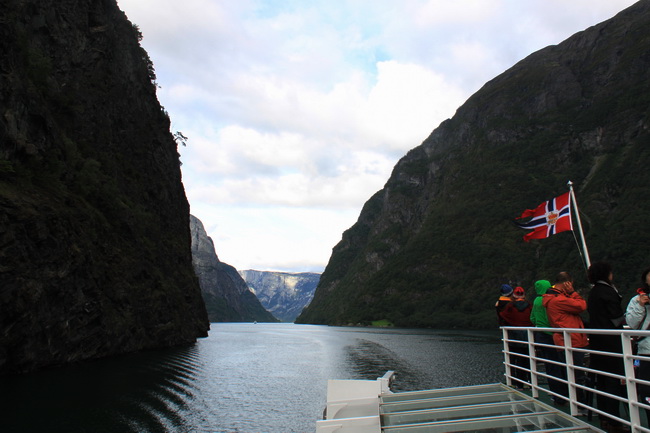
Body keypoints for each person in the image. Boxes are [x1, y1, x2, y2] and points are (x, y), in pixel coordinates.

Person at [587, 261, 628, 433]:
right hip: (611, 342)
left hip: (597, 342)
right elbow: (616, 317)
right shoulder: (607, 292)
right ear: (606, 274)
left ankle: (604, 418)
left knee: (602, 380)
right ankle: (614, 421)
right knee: (613, 381)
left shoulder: (593, 292)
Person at [543, 271, 589, 411]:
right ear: (566, 283)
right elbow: (581, 306)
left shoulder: (554, 298)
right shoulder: (559, 300)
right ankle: (581, 404)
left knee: (571, 372)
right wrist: (573, 292)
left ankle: (574, 401)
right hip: (571, 341)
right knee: (577, 374)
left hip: (567, 340)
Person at [530, 279, 566, 405]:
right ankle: (566, 394)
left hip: (541, 336)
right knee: (562, 364)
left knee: (550, 367)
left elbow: (532, 318)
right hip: (555, 335)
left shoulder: (536, 301)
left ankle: (557, 395)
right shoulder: (552, 299)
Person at [626, 267, 650, 423]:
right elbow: (632, 323)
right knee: (647, 390)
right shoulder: (637, 300)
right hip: (646, 351)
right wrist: (641, 306)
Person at [499, 286, 533, 388]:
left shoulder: (510, 306)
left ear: (514, 295)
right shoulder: (529, 305)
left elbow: (503, 315)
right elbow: (533, 318)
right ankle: (529, 382)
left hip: (514, 337)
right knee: (528, 360)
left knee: (517, 361)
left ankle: (519, 383)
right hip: (528, 336)